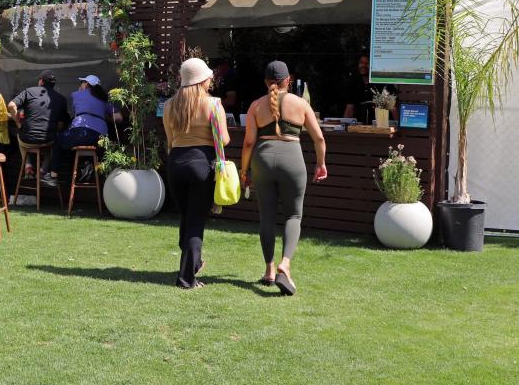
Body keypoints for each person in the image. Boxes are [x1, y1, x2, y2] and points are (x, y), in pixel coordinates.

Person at [240, 61, 327, 296]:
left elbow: (249, 142)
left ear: (266, 82)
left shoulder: (256, 106)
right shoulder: (301, 103)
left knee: (266, 215)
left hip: (262, 160)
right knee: (293, 214)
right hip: (293, 159)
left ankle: (269, 270)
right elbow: (319, 138)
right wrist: (321, 163)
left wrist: (244, 170)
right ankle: (284, 265)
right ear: (288, 80)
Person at [163, 58, 230, 290]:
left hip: (175, 164)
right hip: (201, 163)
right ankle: (187, 279)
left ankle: (193, 263)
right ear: (202, 79)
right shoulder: (213, 104)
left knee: (186, 218)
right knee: (195, 223)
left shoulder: (170, 105)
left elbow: (170, 141)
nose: (211, 79)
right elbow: (224, 139)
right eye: (209, 76)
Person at [40, 74, 121, 186]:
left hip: (81, 131)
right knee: (80, 142)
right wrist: (103, 116)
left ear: (86, 84)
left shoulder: (77, 94)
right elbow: (119, 117)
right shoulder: (104, 99)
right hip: (101, 137)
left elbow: (74, 111)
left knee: (59, 140)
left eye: (81, 83)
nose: (80, 85)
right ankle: (86, 166)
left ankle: (53, 176)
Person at [7, 69, 68, 178]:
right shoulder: (62, 99)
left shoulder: (29, 91)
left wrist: (18, 122)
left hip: (27, 140)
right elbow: (61, 126)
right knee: (54, 143)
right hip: (47, 141)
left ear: (41, 81)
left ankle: (28, 165)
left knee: (20, 136)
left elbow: (11, 105)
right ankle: (43, 170)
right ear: (53, 85)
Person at [343, 54, 397, 121]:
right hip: (359, 127)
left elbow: (393, 109)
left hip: (381, 127)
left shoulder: (383, 83)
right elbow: (349, 108)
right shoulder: (354, 83)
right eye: (361, 63)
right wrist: (344, 126)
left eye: (367, 63)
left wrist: (398, 127)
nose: (363, 66)